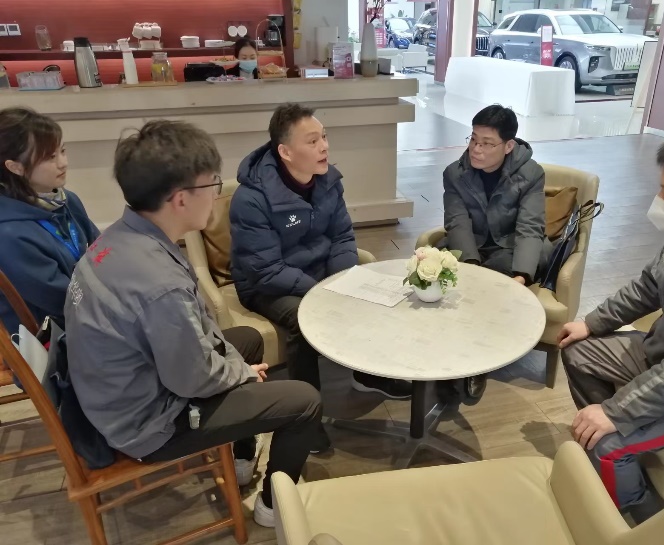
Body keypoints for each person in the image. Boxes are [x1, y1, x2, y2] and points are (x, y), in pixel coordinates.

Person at [64, 120, 321, 528]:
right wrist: (241, 374)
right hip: (149, 424)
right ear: (181, 198)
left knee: (246, 340)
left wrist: (235, 366)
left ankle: (240, 460)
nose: (216, 194)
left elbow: (192, 343)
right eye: (212, 184)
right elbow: (192, 379)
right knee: (304, 402)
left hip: (119, 393)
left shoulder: (118, 237)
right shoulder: (159, 284)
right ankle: (274, 508)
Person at [557, 125, 664, 516]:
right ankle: (618, 445)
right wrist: (592, 323)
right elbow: (649, 285)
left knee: (606, 445)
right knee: (578, 350)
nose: (658, 201)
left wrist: (616, 412)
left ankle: (636, 517)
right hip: (661, 354)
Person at [230, 103, 412, 453]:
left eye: (324, 137)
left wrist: (344, 278)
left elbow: (342, 237)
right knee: (303, 319)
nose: (324, 147)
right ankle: (305, 416)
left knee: (369, 291)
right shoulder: (251, 198)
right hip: (265, 285)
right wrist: (322, 291)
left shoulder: (328, 181)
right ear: (285, 152)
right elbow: (266, 270)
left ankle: (368, 373)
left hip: (317, 276)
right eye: (312, 141)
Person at [0, 107, 99, 335]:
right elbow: (61, 300)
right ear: (15, 167)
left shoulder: (67, 200)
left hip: (88, 312)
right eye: (50, 157)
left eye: (62, 151)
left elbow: (103, 250)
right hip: (54, 336)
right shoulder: (8, 234)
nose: (63, 163)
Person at [442, 105, 551, 286]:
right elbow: (457, 223)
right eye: (473, 139)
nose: (476, 149)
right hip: (473, 245)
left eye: (487, 143)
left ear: (508, 146)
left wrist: (521, 276)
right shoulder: (455, 174)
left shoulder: (531, 174)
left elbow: (530, 226)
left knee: (512, 264)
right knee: (433, 260)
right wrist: (471, 266)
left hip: (511, 247)